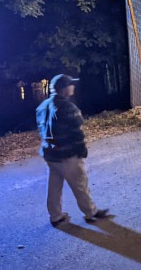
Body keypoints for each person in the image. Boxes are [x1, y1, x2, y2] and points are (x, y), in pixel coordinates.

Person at [36, 74, 109, 227]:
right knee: (80, 184)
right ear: (63, 89)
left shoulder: (43, 106)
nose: (73, 87)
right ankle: (91, 212)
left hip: (51, 155)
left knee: (55, 187)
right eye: (70, 85)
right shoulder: (68, 107)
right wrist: (82, 151)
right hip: (67, 155)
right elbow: (77, 132)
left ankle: (55, 216)